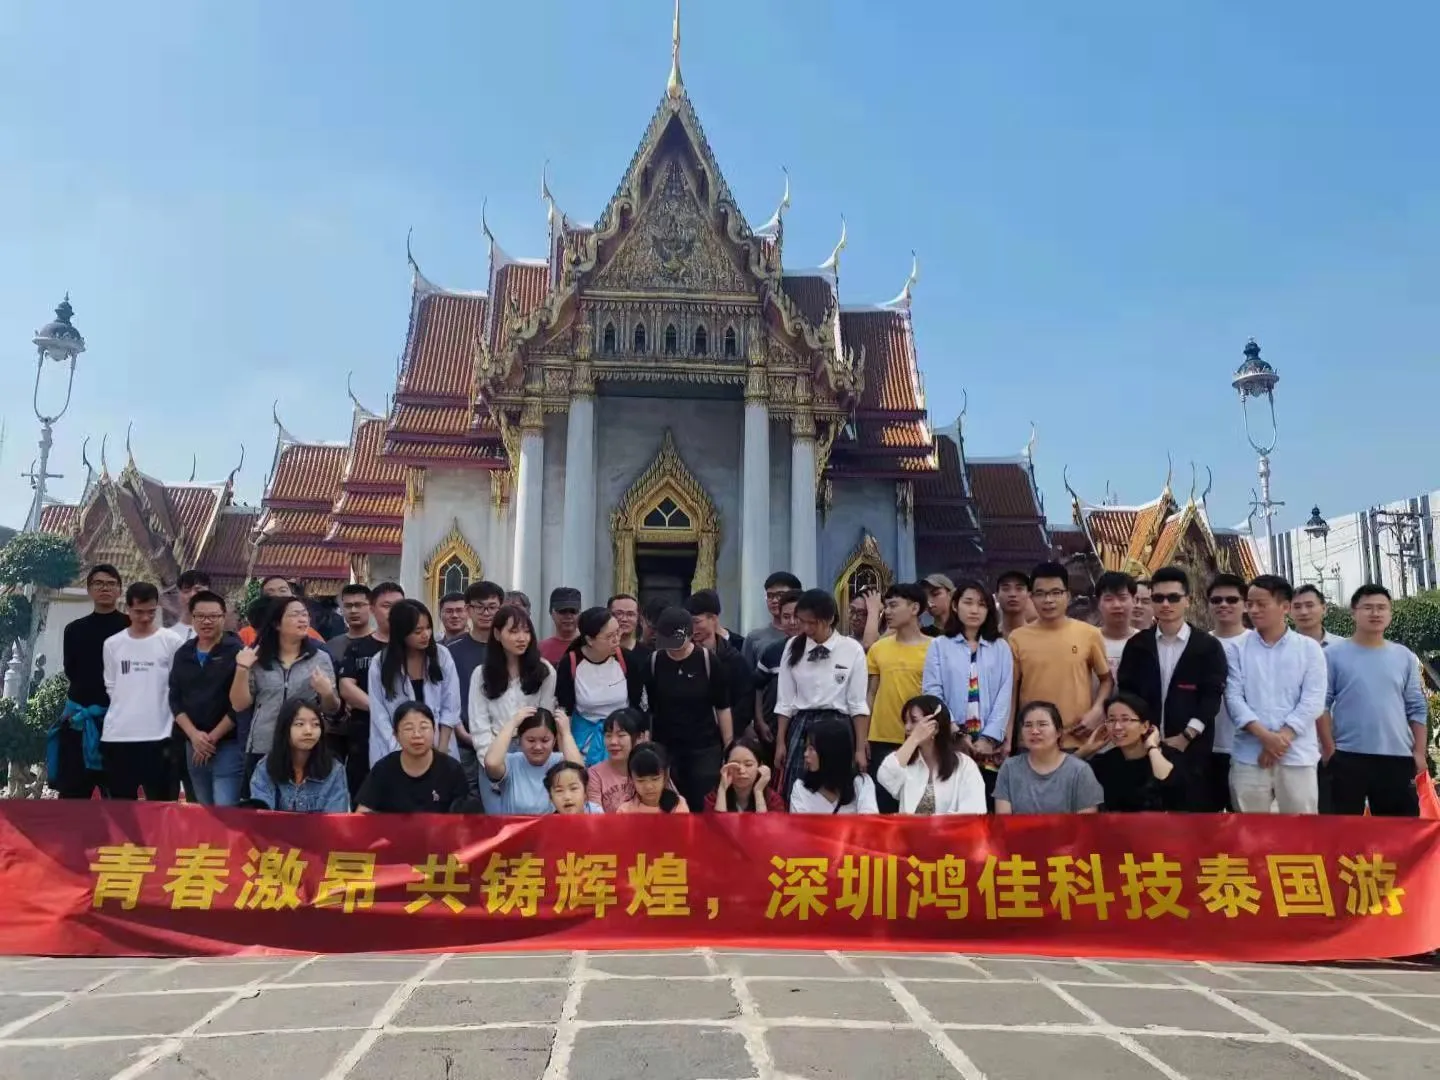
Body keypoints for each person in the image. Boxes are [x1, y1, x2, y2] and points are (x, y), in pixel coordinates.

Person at [1116, 566, 1227, 792]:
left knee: (1190, 818)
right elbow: (1127, 694)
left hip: (1192, 749)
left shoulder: (1207, 646)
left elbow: (1212, 697)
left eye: (1173, 598)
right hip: (1143, 746)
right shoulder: (1137, 645)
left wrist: (1187, 736)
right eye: (1158, 598)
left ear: (1188, 600)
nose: (1165, 604)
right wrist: (1143, 735)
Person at [1323, 584, 1429, 817]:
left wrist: (1419, 752)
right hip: (1347, 756)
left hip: (1397, 757)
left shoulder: (1404, 656)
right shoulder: (1333, 655)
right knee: (1344, 831)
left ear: (1390, 613)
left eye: (1382, 608)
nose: (1375, 613)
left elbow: (1417, 707)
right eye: (1368, 607)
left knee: (1399, 833)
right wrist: (1329, 751)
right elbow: (1322, 705)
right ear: (1354, 612)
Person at [1225, 575, 1327, 814]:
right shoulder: (1237, 649)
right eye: (1250, 604)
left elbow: (1313, 700)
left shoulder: (1308, 649)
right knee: (1250, 831)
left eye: (1262, 604)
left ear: (1285, 607)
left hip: (1297, 755)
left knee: (1300, 831)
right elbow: (1233, 698)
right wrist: (1264, 737)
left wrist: (1280, 739)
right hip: (1249, 755)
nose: (1253, 610)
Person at [232, 596, 341, 789]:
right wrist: (242, 669)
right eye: (295, 614)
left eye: (305, 614)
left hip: (305, 747)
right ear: (276, 623)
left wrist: (326, 693)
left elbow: (332, 708)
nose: (303, 619)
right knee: (261, 810)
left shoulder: (320, 658)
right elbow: (239, 704)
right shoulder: (255, 658)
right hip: (263, 745)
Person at [773, 590, 870, 807]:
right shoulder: (792, 646)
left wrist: (860, 748)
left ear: (829, 620)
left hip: (838, 727)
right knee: (798, 786)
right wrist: (780, 741)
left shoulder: (851, 649)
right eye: (802, 622)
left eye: (812, 623)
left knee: (840, 787)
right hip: (803, 727)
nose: (806, 628)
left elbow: (857, 704)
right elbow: (785, 700)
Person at [1008, 562, 1111, 750]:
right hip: (1032, 741)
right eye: (1041, 594)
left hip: (1077, 741)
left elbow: (1106, 680)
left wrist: (1097, 711)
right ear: (1031, 598)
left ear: (1068, 596)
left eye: (1056, 592)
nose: (1048, 600)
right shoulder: (1017, 638)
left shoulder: (1089, 634)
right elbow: (1012, 692)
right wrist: (1008, 740)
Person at [921, 579, 1012, 792]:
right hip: (950, 740)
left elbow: (1004, 695)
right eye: (968, 602)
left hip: (990, 747)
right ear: (955, 605)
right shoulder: (938, 646)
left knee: (987, 805)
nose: (975, 610)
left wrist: (989, 739)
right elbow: (933, 692)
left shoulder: (1000, 647)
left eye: (981, 604)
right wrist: (955, 732)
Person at [102, 582, 185, 800]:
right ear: (128, 608)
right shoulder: (113, 644)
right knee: (121, 810)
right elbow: (111, 685)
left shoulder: (171, 641)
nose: (145, 617)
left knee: (162, 807)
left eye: (151, 612)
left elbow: (178, 686)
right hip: (120, 738)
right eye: (139, 612)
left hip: (161, 737)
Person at [646, 606, 733, 812]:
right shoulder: (655, 661)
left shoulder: (707, 661)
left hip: (703, 746)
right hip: (666, 746)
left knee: (702, 803)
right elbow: (649, 707)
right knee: (670, 804)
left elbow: (722, 707)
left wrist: (729, 745)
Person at [55, 563, 129, 799]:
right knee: (73, 796)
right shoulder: (74, 630)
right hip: (80, 720)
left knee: (121, 797)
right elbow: (72, 671)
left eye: (110, 584)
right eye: (98, 583)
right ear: (89, 589)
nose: (105, 588)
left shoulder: (133, 628)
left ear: (119, 590)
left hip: (120, 724)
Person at [168, 590, 244, 806]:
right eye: (200, 616)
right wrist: (194, 736)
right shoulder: (184, 653)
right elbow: (175, 699)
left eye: (213, 616)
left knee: (225, 808)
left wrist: (211, 738)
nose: (206, 621)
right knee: (203, 808)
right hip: (193, 743)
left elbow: (240, 704)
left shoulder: (237, 652)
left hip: (228, 743)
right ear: (192, 618)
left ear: (224, 617)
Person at [864, 583, 934, 812]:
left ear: (915, 608)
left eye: (894, 605)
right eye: (886, 606)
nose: (888, 612)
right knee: (884, 805)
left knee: (918, 805)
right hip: (882, 738)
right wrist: (863, 737)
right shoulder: (878, 649)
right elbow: (871, 693)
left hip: (923, 738)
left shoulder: (935, 648)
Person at [367, 599, 462, 765]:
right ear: (401, 633)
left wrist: (441, 750)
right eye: (418, 631)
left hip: (438, 745)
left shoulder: (442, 656)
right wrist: (400, 750)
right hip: (393, 749)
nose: (426, 634)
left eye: (428, 628)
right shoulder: (380, 663)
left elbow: (451, 706)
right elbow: (379, 714)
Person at [335, 581, 401, 801]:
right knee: (364, 798)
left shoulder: (413, 647)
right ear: (373, 609)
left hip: (406, 733)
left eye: (397, 606)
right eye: (386, 606)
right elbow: (346, 687)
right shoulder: (359, 647)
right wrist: (382, 710)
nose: (392, 612)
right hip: (364, 734)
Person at [555, 607, 644, 765]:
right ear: (590, 640)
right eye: (610, 636)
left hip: (621, 741)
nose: (617, 639)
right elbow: (564, 714)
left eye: (618, 632)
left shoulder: (627, 660)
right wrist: (566, 758)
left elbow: (638, 707)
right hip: (584, 741)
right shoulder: (570, 663)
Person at [1077, 693, 1191, 812]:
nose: (1117, 727)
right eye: (1111, 720)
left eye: (1125, 719)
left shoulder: (1169, 756)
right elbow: (1064, 774)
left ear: (1145, 726)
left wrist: (1152, 747)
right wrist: (1085, 750)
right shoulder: (1105, 761)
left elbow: (1170, 783)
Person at [472, 604, 558, 758]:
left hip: (533, 749)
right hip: (495, 747)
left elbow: (546, 718)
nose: (522, 638)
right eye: (514, 631)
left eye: (526, 631)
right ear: (498, 634)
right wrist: (490, 759)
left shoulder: (545, 671)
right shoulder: (481, 674)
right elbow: (479, 723)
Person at [877, 696, 987, 815]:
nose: (907, 728)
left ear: (934, 727)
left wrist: (929, 822)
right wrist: (914, 739)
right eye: (905, 722)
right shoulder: (906, 761)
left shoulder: (965, 765)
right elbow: (885, 777)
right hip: (909, 833)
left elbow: (974, 812)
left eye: (914, 721)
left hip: (951, 833)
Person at [357, 701, 471, 813]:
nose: (417, 734)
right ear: (396, 735)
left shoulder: (451, 769)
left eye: (424, 727)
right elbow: (363, 812)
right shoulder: (383, 769)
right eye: (408, 728)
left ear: (434, 730)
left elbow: (463, 818)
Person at [993, 702, 1103, 814]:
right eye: (1028, 725)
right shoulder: (1009, 768)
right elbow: (1003, 821)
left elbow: (1086, 825)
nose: (1034, 731)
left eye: (1042, 724)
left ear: (1058, 732)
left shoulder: (1080, 771)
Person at [446, 580, 505, 791]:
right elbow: (446, 696)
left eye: (492, 607)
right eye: (479, 607)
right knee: (467, 800)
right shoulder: (449, 651)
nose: (486, 612)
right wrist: (462, 732)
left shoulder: (508, 649)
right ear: (468, 609)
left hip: (502, 740)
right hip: (463, 740)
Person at [248, 699, 351, 812]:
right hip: (276, 830)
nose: (308, 731)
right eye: (299, 724)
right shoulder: (266, 767)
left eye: (315, 724)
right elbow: (261, 818)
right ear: (285, 729)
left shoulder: (334, 770)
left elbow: (335, 821)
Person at [1204, 573, 1251, 812]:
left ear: (1245, 605)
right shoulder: (1198, 644)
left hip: (1249, 749)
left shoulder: (1259, 645)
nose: (1224, 605)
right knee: (1206, 828)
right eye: (1217, 600)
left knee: (1247, 826)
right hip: (1206, 748)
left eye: (1232, 600)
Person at [482, 706, 584, 815]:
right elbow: (491, 763)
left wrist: (566, 733)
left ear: (554, 741)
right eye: (531, 740)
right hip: (515, 830)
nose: (538, 747)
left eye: (545, 740)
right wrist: (512, 723)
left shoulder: (560, 762)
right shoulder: (511, 762)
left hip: (552, 830)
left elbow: (580, 773)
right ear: (520, 740)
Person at [686, 589, 755, 737]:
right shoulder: (683, 655)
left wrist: (727, 732)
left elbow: (745, 703)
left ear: (714, 619)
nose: (693, 629)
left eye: (697, 622)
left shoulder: (734, 658)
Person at [789, 716, 879, 814]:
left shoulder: (862, 783)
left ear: (830, 751)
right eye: (806, 748)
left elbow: (870, 823)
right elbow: (799, 826)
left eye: (811, 749)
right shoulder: (800, 788)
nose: (805, 754)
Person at [752, 588, 801, 760]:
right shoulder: (772, 651)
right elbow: (757, 686)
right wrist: (760, 721)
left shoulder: (818, 651)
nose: (793, 622)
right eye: (786, 617)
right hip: (772, 729)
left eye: (797, 616)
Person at [585, 708, 655, 812]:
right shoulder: (595, 774)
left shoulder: (653, 768)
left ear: (640, 737)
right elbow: (595, 817)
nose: (613, 741)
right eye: (608, 735)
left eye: (621, 735)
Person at [707, 734, 783, 812]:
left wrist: (758, 792)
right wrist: (722, 790)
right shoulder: (714, 797)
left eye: (748, 765)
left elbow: (765, 824)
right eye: (735, 764)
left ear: (760, 766)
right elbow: (717, 824)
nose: (742, 771)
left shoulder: (773, 799)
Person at [743, 571, 803, 667]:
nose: (774, 600)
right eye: (770, 596)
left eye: (780, 595)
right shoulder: (754, 638)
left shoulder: (811, 635)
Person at [617, 742, 691, 813]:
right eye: (641, 780)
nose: (649, 786)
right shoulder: (624, 811)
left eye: (655, 779)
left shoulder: (677, 805)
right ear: (631, 779)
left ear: (665, 775)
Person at [1094, 571, 1137, 677]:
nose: (1116, 605)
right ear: (1098, 604)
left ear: (1134, 601)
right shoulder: (1088, 640)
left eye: (1122, 598)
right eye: (1109, 599)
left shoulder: (1144, 641)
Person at [326, 583, 373, 666]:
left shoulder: (383, 643)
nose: (353, 610)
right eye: (348, 606)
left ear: (371, 607)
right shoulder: (331, 646)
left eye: (358, 605)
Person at [539, 587, 583, 664]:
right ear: (551, 613)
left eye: (573, 611)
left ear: (580, 613)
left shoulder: (591, 647)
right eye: (562, 611)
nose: (568, 616)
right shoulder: (540, 650)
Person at [171, 569, 211, 642]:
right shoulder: (168, 635)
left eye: (198, 590)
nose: (192, 595)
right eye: (186, 591)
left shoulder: (221, 634)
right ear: (179, 596)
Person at [996, 570, 1032, 638]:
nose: (1012, 594)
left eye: (1019, 589)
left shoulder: (1037, 636)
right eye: (1006, 589)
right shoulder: (987, 638)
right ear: (997, 596)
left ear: (1029, 595)